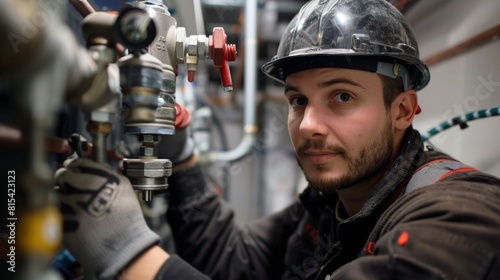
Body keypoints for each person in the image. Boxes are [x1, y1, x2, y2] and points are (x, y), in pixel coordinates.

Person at [54, 0, 500, 279]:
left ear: (402, 109)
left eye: (341, 96)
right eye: (298, 100)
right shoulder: (335, 202)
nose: (308, 125)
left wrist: (127, 252)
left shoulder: (461, 219)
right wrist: (180, 152)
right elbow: (234, 260)